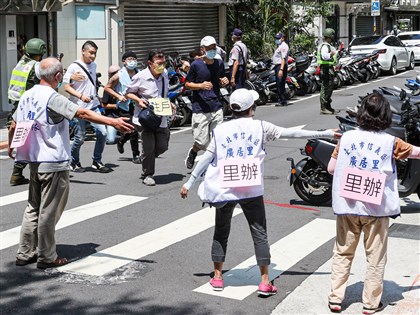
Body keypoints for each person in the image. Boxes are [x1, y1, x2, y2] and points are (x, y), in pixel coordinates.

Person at [180, 88, 336, 296]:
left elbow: (207, 157)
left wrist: (190, 182)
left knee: (221, 231)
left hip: (225, 188)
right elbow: (294, 133)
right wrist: (327, 133)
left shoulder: (221, 130)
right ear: (251, 108)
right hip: (251, 188)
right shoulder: (261, 128)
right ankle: (264, 281)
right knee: (259, 233)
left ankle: (217, 277)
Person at [8, 57, 133, 269]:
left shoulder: (27, 96)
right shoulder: (52, 97)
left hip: (34, 160)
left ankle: (25, 252)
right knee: (48, 211)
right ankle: (47, 256)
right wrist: (112, 121)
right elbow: (82, 112)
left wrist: (13, 146)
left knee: (33, 207)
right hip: (54, 161)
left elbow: (14, 124)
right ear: (57, 76)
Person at [326, 92, 420, 314]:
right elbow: (416, 152)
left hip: (348, 206)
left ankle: (336, 298)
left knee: (342, 252)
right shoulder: (391, 143)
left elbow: (331, 168)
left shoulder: (346, 138)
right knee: (375, 257)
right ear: (386, 115)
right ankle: (370, 303)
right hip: (376, 210)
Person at [64, 40, 110, 173]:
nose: (93, 56)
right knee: (80, 137)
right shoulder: (74, 67)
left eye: (95, 53)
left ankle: (97, 161)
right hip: (78, 107)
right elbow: (66, 87)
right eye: (91, 53)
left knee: (103, 132)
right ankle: (74, 162)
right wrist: (80, 95)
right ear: (83, 51)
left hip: (93, 106)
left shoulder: (94, 65)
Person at [126, 49, 170, 186]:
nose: (161, 65)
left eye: (163, 62)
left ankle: (145, 157)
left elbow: (164, 94)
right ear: (149, 63)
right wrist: (138, 101)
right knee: (149, 147)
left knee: (162, 146)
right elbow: (129, 93)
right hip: (145, 118)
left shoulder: (165, 74)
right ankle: (147, 174)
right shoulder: (141, 76)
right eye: (158, 63)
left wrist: (170, 104)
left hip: (161, 115)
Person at [184, 36, 229, 169]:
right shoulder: (196, 65)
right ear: (202, 49)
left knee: (217, 139)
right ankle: (193, 151)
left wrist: (224, 81)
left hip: (216, 105)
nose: (212, 50)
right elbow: (187, 84)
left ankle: (215, 166)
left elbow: (221, 78)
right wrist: (200, 86)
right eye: (209, 48)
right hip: (200, 107)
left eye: (214, 47)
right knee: (202, 142)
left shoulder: (219, 63)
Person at [7, 38, 46, 186]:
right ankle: (22, 172)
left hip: (17, 106)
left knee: (24, 139)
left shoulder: (20, 64)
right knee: (34, 139)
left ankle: (18, 173)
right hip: (30, 106)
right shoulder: (36, 66)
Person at [103, 51, 141, 164]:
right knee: (133, 130)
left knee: (136, 129)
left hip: (138, 104)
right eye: (129, 59)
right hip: (124, 107)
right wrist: (118, 96)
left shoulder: (139, 73)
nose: (132, 61)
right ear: (124, 61)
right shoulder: (118, 75)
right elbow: (107, 88)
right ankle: (136, 155)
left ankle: (122, 140)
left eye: (134, 59)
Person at [317, 28, 340, 115]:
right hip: (326, 69)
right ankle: (323, 108)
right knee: (325, 88)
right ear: (330, 36)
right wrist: (332, 54)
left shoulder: (328, 45)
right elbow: (324, 56)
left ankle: (328, 106)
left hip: (329, 68)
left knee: (329, 88)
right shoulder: (325, 46)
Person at [102, 65, 121, 145]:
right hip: (112, 117)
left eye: (119, 72)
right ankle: (120, 139)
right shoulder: (108, 88)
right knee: (110, 140)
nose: (117, 75)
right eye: (114, 73)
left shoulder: (125, 85)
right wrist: (115, 106)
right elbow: (103, 105)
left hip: (125, 115)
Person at [272, 32, 289, 107]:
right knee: (279, 83)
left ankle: (282, 100)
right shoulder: (280, 45)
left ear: (282, 38)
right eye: (276, 38)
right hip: (278, 66)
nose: (277, 40)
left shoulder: (283, 46)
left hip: (281, 66)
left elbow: (283, 58)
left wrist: (281, 69)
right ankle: (282, 100)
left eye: (278, 38)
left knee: (280, 83)